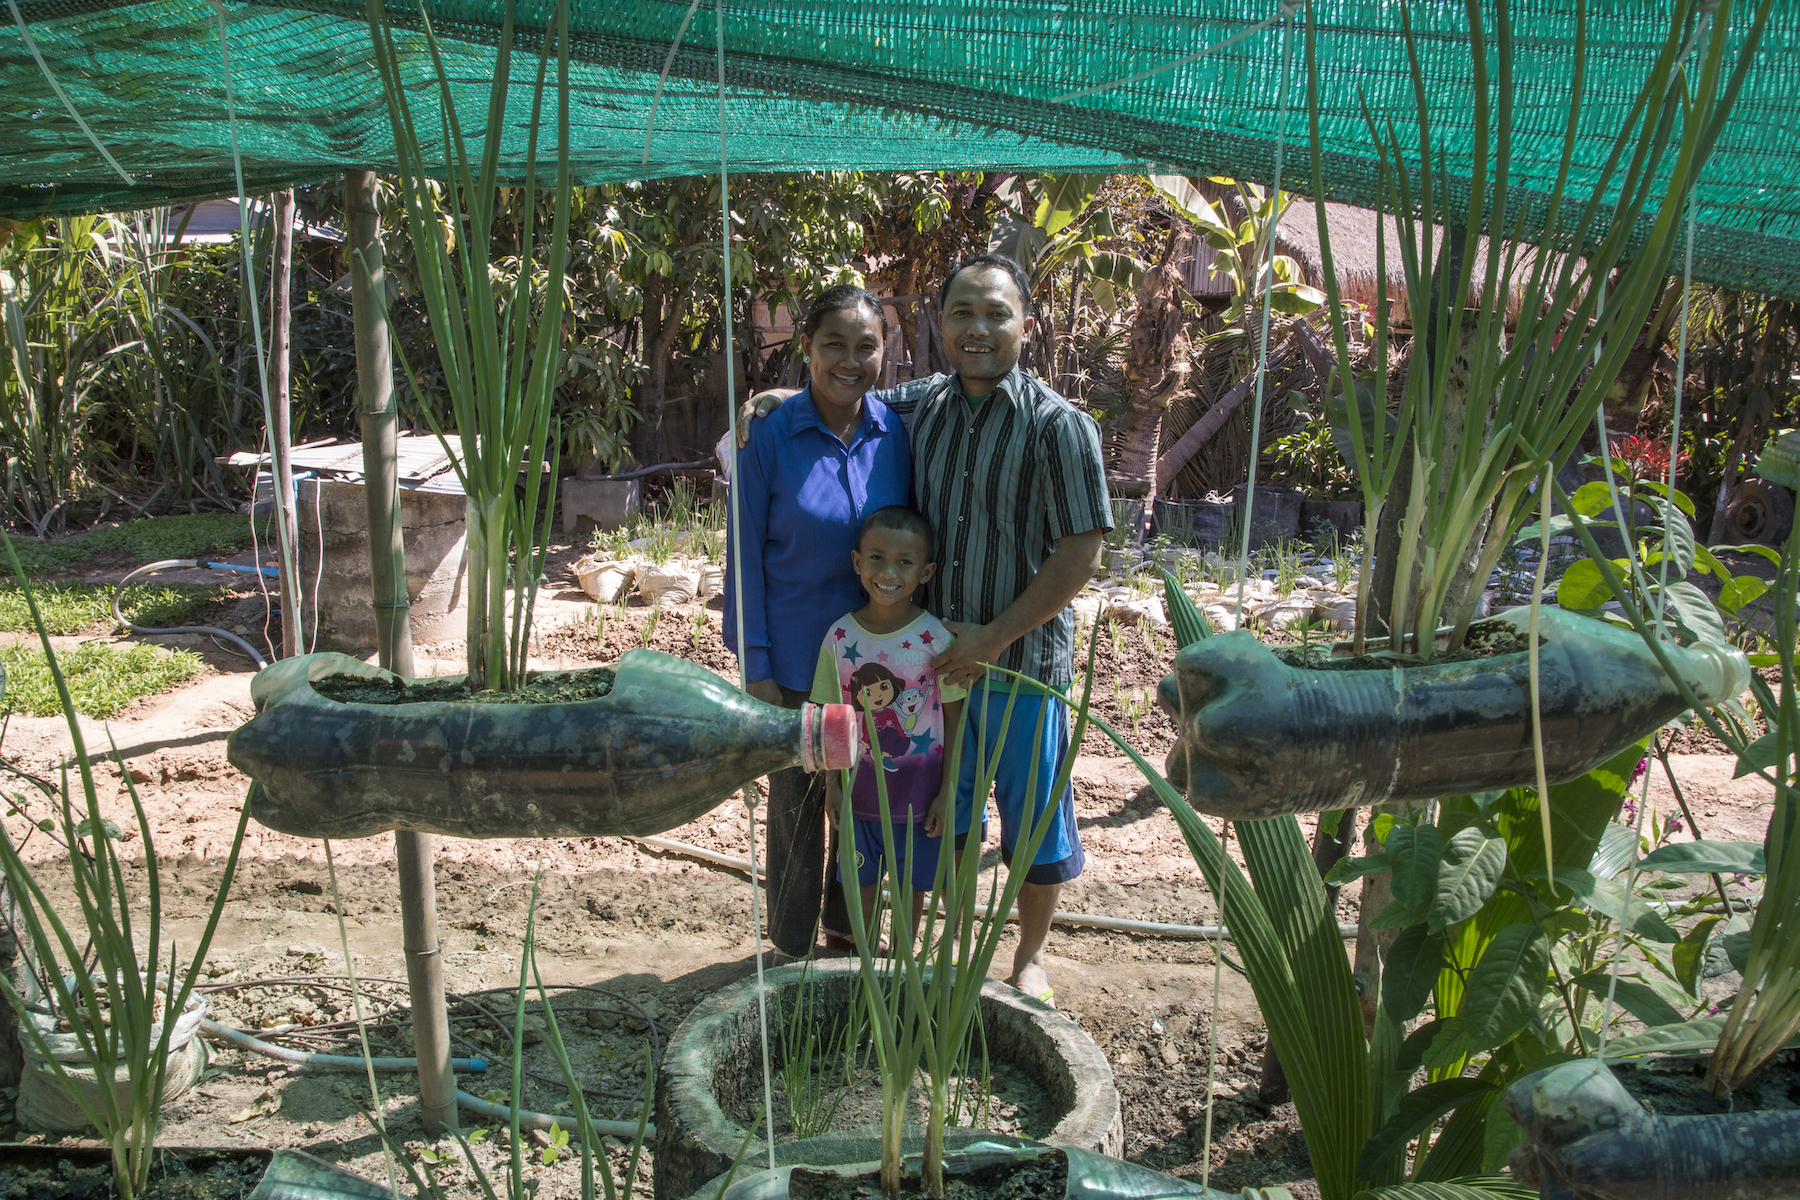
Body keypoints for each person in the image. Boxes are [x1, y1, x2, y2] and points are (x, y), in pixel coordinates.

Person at [744, 254, 1113, 1001]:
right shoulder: (927, 407)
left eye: (996, 314)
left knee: (1034, 821)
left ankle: (1028, 958)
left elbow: (1082, 552)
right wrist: (784, 396)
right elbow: (847, 389)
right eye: (961, 313)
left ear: (1026, 325)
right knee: (933, 819)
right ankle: (911, 958)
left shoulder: (1061, 427)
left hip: (1020, 667)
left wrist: (993, 637)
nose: (978, 329)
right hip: (930, 676)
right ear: (938, 324)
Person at [723, 284, 911, 958]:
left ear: (885, 353)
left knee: (868, 806)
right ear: (805, 348)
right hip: (798, 668)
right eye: (833, 344)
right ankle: (792, 947)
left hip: (880, 670)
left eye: (867, 346)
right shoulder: (769, 436)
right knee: (797, 810)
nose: (849, 360)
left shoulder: (900, 433)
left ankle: (849, 934)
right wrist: (757, 664)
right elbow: (742, 557)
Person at [811, 506, 965, 943]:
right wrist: (832, 787)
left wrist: (947, 792)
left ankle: (901, 974)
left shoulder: (936, 639)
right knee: (859, 889)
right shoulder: (839, 638)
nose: (888, 572)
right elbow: (829, 718)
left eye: (905, 562)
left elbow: (954, 720)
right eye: (876, 558)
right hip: (856, 798)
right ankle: (864, 971)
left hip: (920, 803)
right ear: (857, 562)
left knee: (909, 889)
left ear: (926, 571)